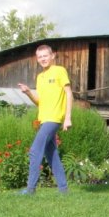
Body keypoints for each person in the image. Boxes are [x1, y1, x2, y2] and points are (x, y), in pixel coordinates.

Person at [18, 44, 72, 194]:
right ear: (37, 59)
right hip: (44, 118)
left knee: (35, 150)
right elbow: (39, 101)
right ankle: (64, 190)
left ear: (52, 56)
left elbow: (69, 93)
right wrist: (28, 92)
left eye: (45, 55)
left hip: (54, 118)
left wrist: (67, 117)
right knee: (51, 155)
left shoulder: (59, 71)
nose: (43, 59)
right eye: (40, 57)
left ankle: (30, 189)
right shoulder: (40, 77)